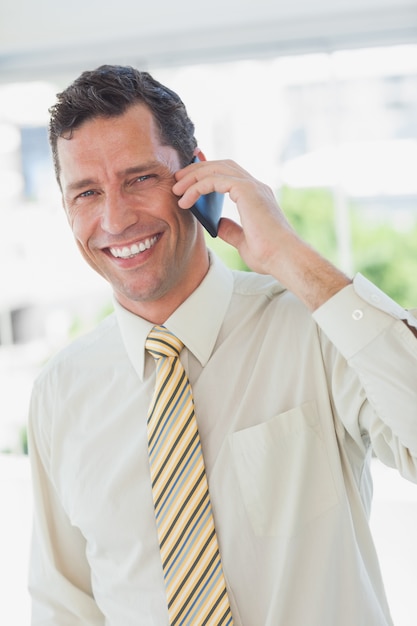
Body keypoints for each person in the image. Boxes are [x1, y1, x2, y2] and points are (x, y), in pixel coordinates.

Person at [28, 64, 417, 626]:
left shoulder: (315, 329)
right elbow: (64, 605)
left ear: (197, 176)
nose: (114, 218)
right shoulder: (60, 392)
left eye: (139, 178)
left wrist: (289, 256)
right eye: (87, 192)